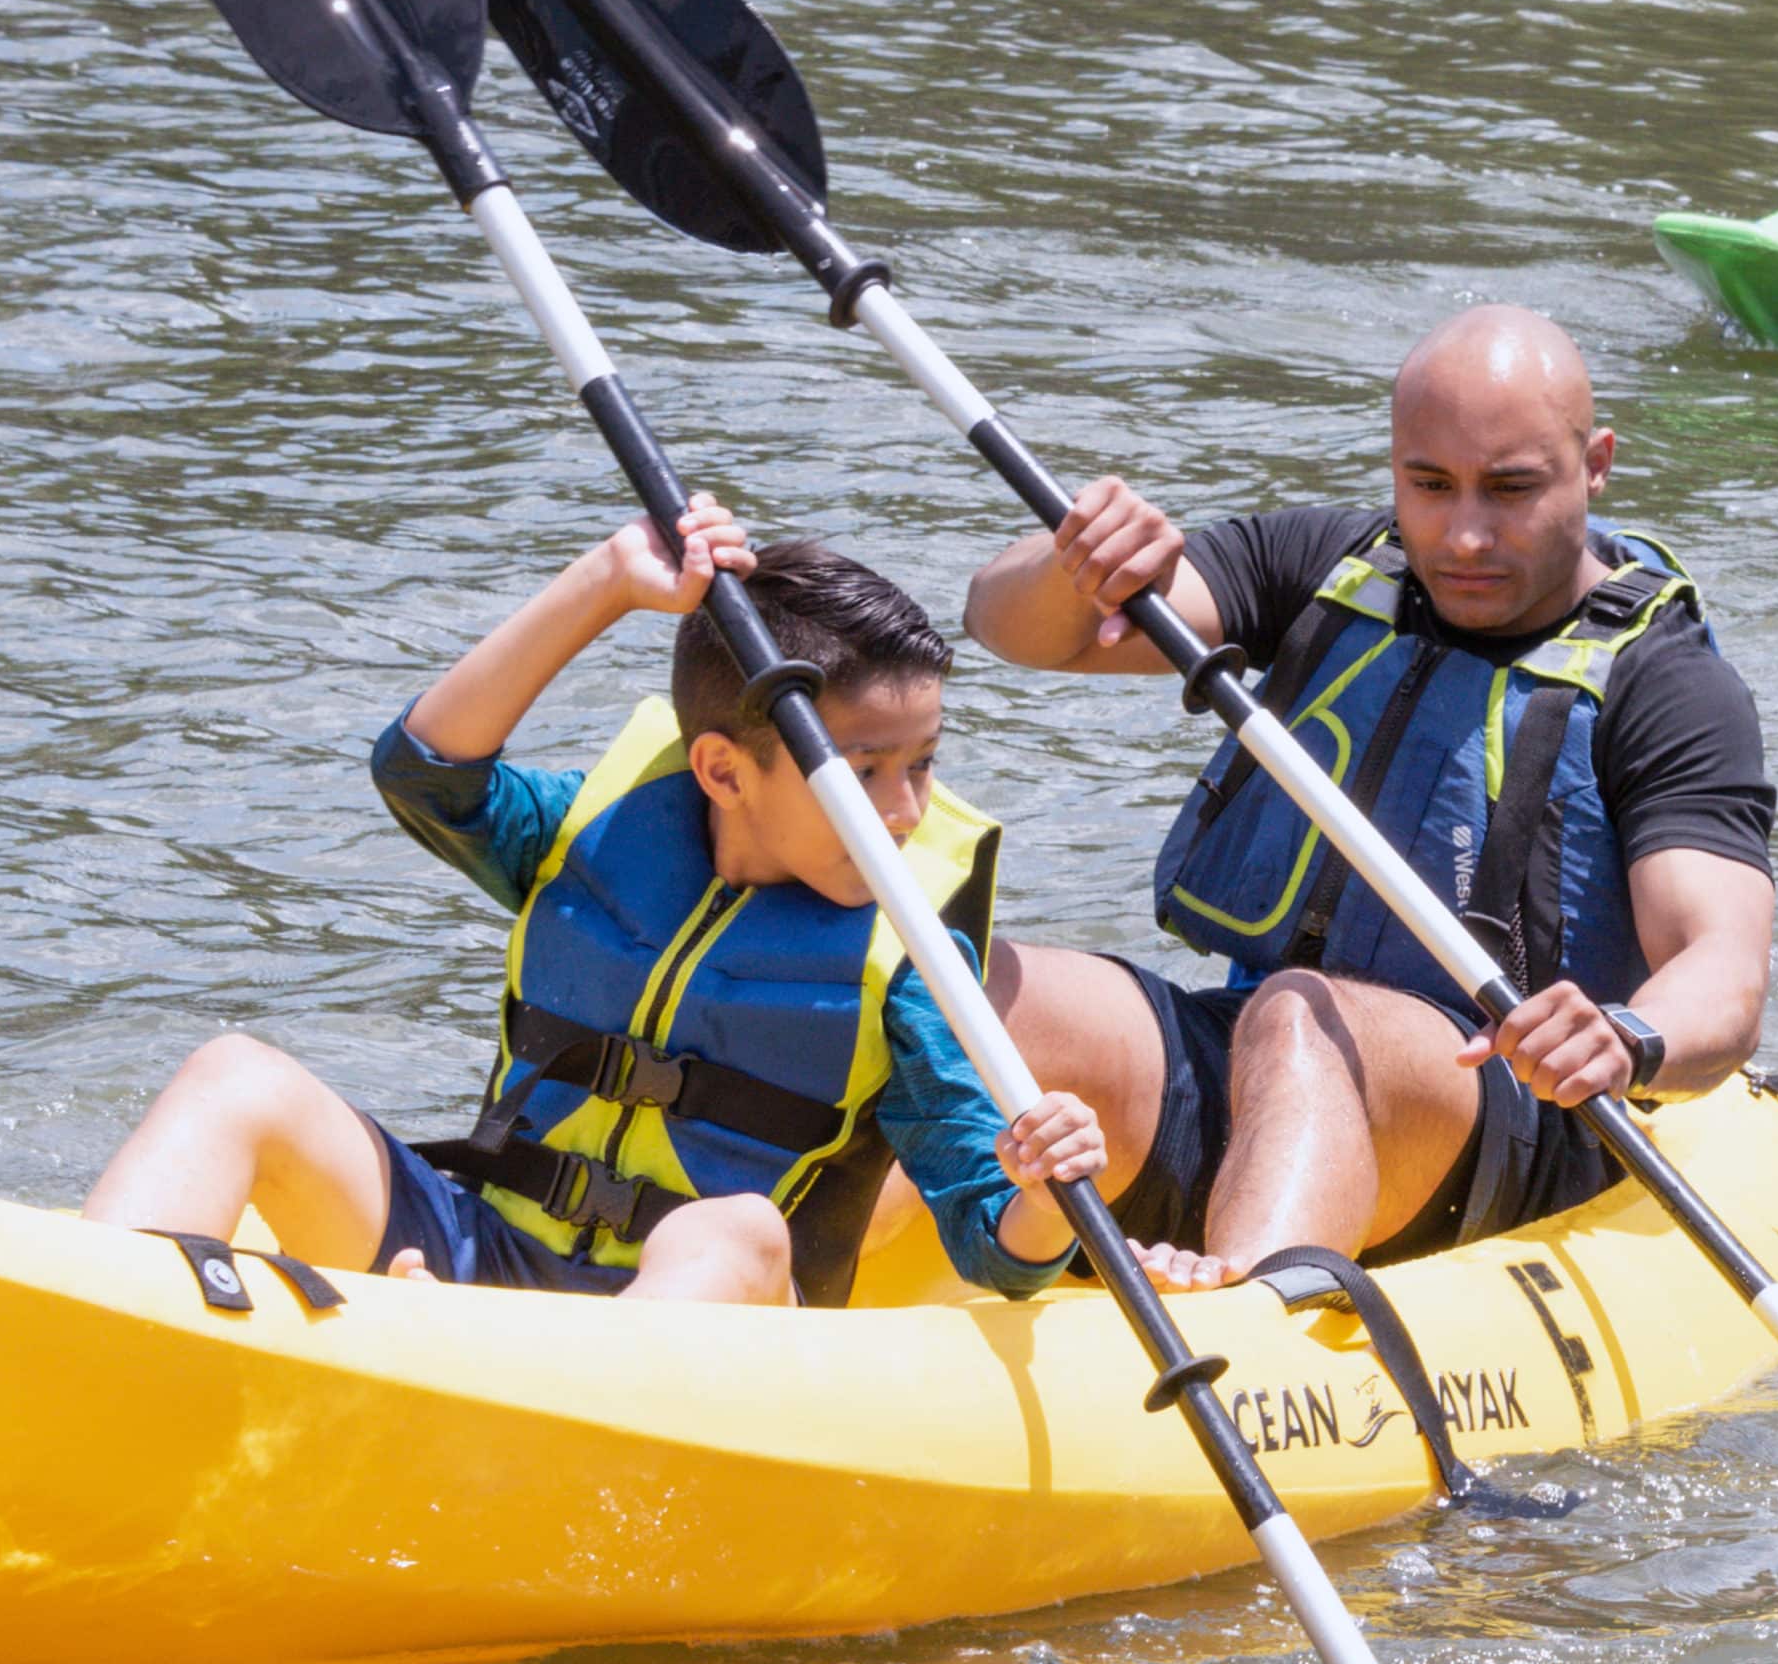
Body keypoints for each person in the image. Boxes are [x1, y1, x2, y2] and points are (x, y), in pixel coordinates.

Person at [84, 496, 1105, 1307]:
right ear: (721, 771)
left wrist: (1043, 1199)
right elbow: (424, 772)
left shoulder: (909, 956)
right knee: (235, 1077)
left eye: (922, 765)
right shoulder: (597, 833)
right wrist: (608, 582)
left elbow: (993, 1246)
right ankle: (94, 1333)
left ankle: (493, 1380)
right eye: (862, 772)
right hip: (484, 1243)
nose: (903, 811)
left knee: (736, 1227)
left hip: (700, 1323)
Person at [963, 305, 1775, 1291]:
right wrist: (1070, 566)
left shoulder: (1668, 684)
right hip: (1271, 1068)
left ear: (1596, 462)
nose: (1465, 533)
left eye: (1511, 488)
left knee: (1302, 1014)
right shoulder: (1333, 567)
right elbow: (1013, 627)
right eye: (1429, 485)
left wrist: (1627, 1036)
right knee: (975, 985)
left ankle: (1251, 1323)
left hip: (1509, 1114)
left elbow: (1722, 970)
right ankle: (818, 1262)